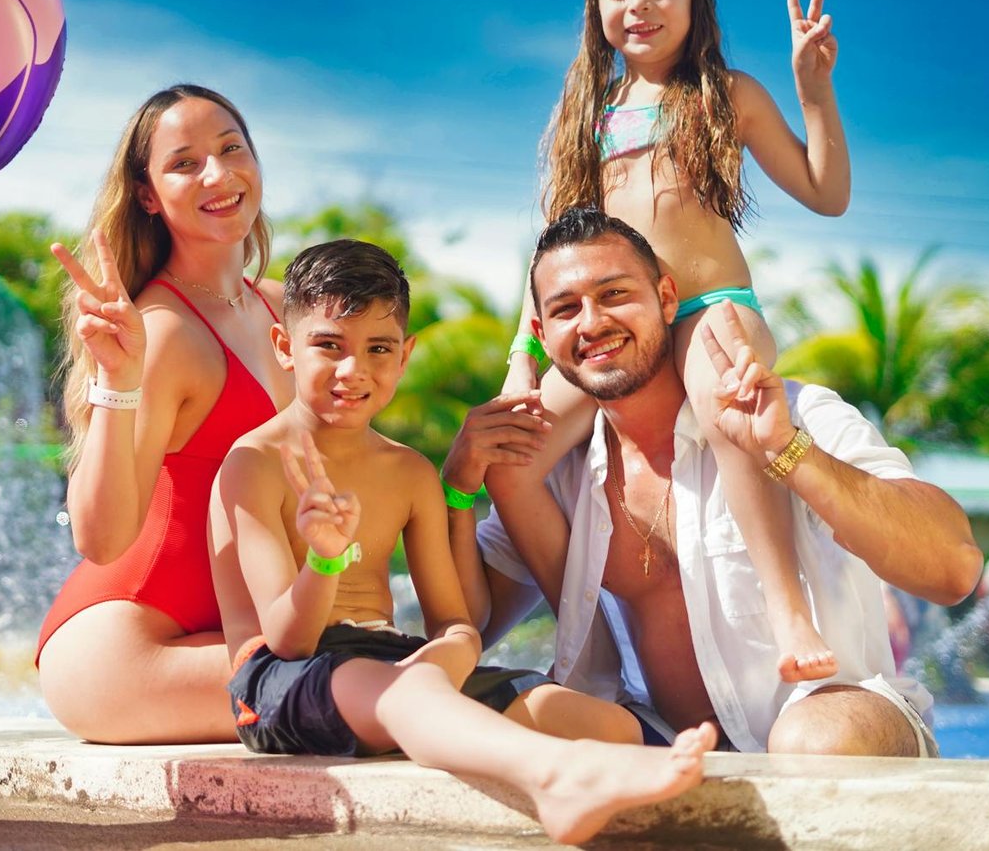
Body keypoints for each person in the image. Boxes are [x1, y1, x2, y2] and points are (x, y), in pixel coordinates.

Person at [207, 239, 717, 845]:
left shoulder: (409, 474)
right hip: (279, 680)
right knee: (403, 689)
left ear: (405, 355)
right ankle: (555, 781)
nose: (354, 370)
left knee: (585, 717)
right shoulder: (255, 464)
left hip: (396, 663)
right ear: (285, 348)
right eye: (328, 346)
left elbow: (456, 621)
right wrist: (324, 556)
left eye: (378, 349)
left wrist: (450, 654)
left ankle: (667, 775)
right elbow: (289, 640)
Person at [451, 208, 982, 755]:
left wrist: (788, 453)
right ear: (542, 333)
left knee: (814, 741)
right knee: (493, 714)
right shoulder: (560, 474)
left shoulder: (789, 413)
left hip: (831, 713)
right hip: (661, 736)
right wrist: (458, 489)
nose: (592, 323)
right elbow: (468, 626)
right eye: (567, 309)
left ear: (667, 297)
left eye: (614, 295)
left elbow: (954, 568)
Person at [490, 0, 854, 682]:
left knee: (725, 403)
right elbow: (557, 258)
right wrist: (524, 357)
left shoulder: (727, 95)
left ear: (696, 0)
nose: (640, 5)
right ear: (596, 9)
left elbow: (827, 193)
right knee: (510, 457)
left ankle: (788, 610)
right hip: (616, 326)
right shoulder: (588, 120)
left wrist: (814, 92)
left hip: (707, 308)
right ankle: (582, 640)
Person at [37, 84, 291, 744]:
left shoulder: (284, 306)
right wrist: (117, 381)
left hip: (239, 629)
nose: (218, 173)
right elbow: (100, 540)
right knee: (364, 685)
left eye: (232, 148)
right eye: (184, 162)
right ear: (148, 194)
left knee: (403, 667)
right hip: (125, 652)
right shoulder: (165, 332)